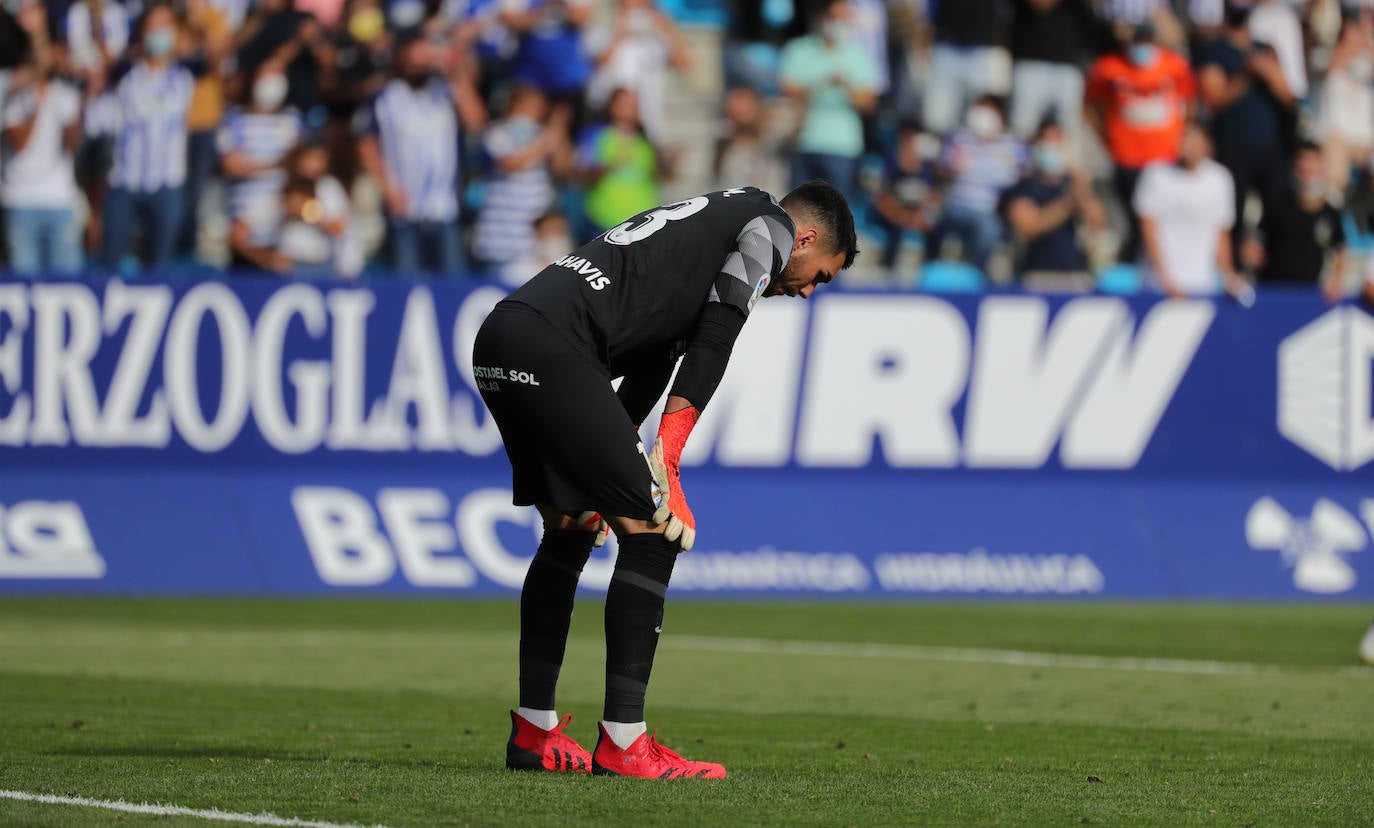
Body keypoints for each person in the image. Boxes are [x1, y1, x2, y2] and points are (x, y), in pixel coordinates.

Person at [474, 181, 857, 779]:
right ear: (805, 237)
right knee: (654, 533)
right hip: (553, 350)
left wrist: (616, 453)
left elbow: (656, 354)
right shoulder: (772, 229)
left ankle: (534, 734)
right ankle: (625, 743)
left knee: (572, 527)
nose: (806, 290)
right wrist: (666, 460)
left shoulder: (716, 224)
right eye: (819, 276)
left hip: (506, 336)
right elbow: (718, 331)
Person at [354, 32, 486, 275]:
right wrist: (388, 189)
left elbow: (476, 121)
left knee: (453, 281)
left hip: (445, 208)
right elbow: (367, 145)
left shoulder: (445, 93)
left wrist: (454, 72)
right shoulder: (386, 97)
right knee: (408, 282)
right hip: (405, 208)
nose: (420, 64)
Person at [91, 3, 195, 271]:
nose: (159, 32)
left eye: (166, 25)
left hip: (166, 183)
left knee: (159, 268)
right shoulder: (125, 78)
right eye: (154, 25)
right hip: (125, 181)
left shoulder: (185, 79)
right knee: (110, 263)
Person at [1084, 21, 1195, 261]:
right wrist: (1104, 136)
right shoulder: (1109, 68)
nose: (1142, 48)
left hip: (1165, 158)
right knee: (1133, 222)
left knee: (1163, 221)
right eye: (1138, 42)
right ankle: (1132, 266)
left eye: (1147, 42)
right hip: (1127, 158)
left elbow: (1189, 102)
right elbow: (1089, 103)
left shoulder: (1175, 66)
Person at [778, 0, 878, 200]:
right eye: (834, 17)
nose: (838, 23)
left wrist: (846, 85)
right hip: (804, 142)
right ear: (820, 17)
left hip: (843, 147)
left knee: (836, 219)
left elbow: (868, 102)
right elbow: (787, 89)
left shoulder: (859, 55)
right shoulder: (798, 49)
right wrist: (822, 83)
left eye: (843, 18)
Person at [1133, 122, 1246, 299]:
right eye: (1184, 138)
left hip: (1202, 284)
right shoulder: (1156, 175)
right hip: (1158, 286)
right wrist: (1165, 280)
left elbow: (1221, 233)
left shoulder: (1220, 179)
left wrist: (1228, 274)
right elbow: (1149, 231)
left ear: (1207, 145)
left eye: (1194, 139)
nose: (1187, 144)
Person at [1, 37, 84, 274]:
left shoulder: (67, 95)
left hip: (60, 200)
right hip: (20, 201)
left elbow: (70, 145)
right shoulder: (12, 97)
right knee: (24, 283)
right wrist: (37, 107)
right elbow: (20, 144)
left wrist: (77, 114)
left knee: (68, 284)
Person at [473, 84, 569, 281]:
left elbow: (563, 166)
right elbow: (512, 163)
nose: (536, 114)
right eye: (532, 107)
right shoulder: (498, 133)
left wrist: (560, 128)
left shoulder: (542, 134)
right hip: (502, 238)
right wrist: (545, 142)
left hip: (533, 240)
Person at [219, 61, 304, 273]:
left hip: (282, 218)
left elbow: (301, 163)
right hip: (244, 214)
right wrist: (275, 165)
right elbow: (231, 165)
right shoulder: (235, 120)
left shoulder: (291, 120)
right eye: (267, 75)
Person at [1004, 120, 1105, 291]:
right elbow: (1027, 227)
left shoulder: (1073, 183)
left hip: (1075, 275)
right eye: (1046, 140)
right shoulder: (1025, 186)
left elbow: (1099, 223)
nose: (1052, 146)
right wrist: (1067, 204)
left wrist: (1083, 193)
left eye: (1057, 140)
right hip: (1038, 275)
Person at [927, 96, 1025, 271]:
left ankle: (976, 275)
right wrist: (951, 168)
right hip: (954, 206)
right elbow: (939, 170)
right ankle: (930, 267)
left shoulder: (1010, 144)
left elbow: (1024, 173)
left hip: (986, 210)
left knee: (989, 229)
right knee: (931, 218)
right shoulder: (958, 138)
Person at [1248, 142, 1346, 303]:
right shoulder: (1277, 203)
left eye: (1313, 160)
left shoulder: (1330, 212)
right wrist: (1252, 252)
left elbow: (1340, 249)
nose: (1307, 166)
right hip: (1273, 289)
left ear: (1321, 166)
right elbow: (1257, 240)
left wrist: (1336, 280)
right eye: (1303, 160)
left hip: (1309, 292)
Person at [583, 0, 691, 144]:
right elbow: (601, 61)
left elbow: (684, 63)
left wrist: (666, 28)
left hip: (645, 124)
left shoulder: (653, 40)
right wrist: (623, 29)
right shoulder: (599, 31)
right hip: (604, 123)